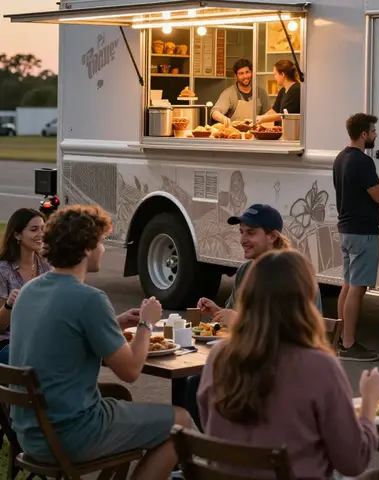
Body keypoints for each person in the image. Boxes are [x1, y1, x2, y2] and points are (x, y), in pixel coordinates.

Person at [9, 204, 194, 478]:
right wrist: (146, 322)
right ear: (86, 249)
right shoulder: (90, 300)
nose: (104, 249)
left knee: (119, 398)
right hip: (70, 434)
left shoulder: (29, 290)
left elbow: (63, 331)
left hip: (31, 433)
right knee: (182, 421)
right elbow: (130, 370)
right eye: (102, 242)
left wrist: (113, 323)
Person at [197, 249, 379, 480]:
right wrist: (369, 401)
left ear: (247, 297)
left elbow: (209, 424)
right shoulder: (320, 366)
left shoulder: (218, 357)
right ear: (306, 300)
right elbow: (353, 462)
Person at [333, 113, 379, 362]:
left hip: (346, 230)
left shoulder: (342, 158)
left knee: (347, 285)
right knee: (358, 288)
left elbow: (365, 189)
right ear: (364, 134)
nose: (375, 135)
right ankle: (349, 344)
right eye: (373, 131)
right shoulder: (363, 162)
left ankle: (340, 337)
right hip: (363, 233)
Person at [197, 203, 322, 327]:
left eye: (250, 233)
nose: (242, 240)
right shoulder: (244, 271)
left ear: (272, 236)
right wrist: (218, 312)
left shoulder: (293, 274)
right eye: (241, 232)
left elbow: (292, 330)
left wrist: (239, 320)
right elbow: (236, 314)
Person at [0, 208, 51, 363]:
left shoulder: (46, 267)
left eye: (43, 229)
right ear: (17, 234)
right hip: (8, 343)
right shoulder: (3, 270)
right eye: (34, 229)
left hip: (39, 341)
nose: (41, 234)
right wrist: (9, 305)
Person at [210, 58, 269, 126]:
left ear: (251, 73)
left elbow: (269, 114)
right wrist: (224, 120)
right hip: (235, 134)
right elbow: (215, 112)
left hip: (256, 134)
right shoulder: (229, 93)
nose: (245, 76)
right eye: (241, 73)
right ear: (236, 76)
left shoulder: (261, 93)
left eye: (247, 72)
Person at [259, 59, 302, 123]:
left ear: (282, 74)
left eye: (275, 74)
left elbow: (284, 116)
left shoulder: (296, 89)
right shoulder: (283, 90)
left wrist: (263, 119)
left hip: (293, 129)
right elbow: (274, 111)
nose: (274, 77)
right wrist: (258, 118)